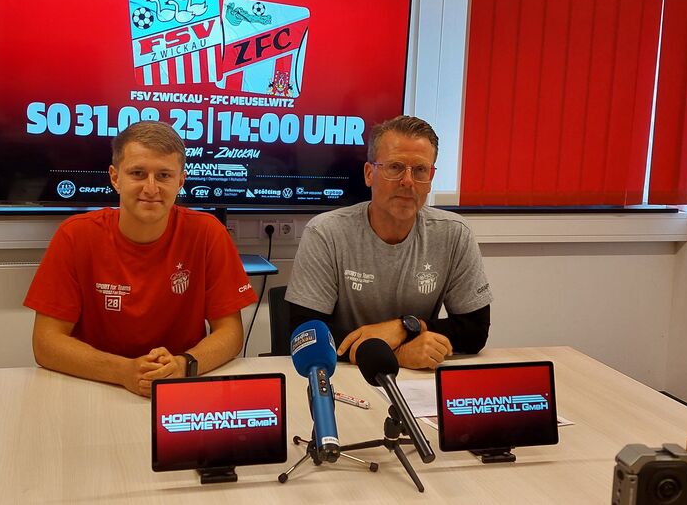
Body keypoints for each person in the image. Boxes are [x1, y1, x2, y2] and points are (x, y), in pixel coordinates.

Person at [25, 121, 258, 397]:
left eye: (164, 176)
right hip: (95, 387)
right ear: (115, 177)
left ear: (180, 181)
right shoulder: (75, 235)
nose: (151, 188)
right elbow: (46, 343)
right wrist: (123, 371)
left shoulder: (208, 233)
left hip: (179, 388)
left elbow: (230, 334)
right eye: (138, 173)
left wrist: (184, 365)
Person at [285, 115, 492, 369]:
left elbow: (475, 330)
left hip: (419, 380)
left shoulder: (454, 233)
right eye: (395, 167)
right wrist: (397, 355)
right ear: (369, 174)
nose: (408, 182)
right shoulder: (325, 233)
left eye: (420, 170)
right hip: (342, 374)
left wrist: (404, 326)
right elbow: (303, 334)